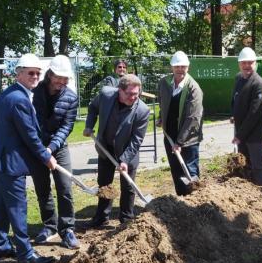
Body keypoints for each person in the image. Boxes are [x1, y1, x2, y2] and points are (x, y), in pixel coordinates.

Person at [0, 53, 57, 263]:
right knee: (17, 206)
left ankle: (2, 246)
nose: (35, 76)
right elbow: (30, 136)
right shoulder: (19, 99)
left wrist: (6, 131)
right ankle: (26, 253)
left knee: (3, 205)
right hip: (10, 162)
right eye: (30, 73)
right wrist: (47, 157)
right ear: (19, 74)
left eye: (37, 73)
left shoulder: (12, 92)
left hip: (0, 158)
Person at [82, 74, 150, 227]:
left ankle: (126, 219)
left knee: (128, 186)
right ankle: (102, 217)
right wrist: (89, 125)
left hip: (128, 151)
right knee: (105, 184)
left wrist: (125, 160)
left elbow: (136, 140)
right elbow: (93, 107)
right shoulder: (106, 95)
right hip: (105, 148)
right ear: (120, 90)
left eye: (136, 94)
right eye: (129, 94)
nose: (133, 97)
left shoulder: (142, 111)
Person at [31, 55, 79, 249]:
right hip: (36, 146)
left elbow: (66, 127)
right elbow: (33, 122)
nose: (62, 81)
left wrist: (51, 149)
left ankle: (67, 229)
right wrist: (41, 149)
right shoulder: (35, 92)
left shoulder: (71, 97)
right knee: (42, 188)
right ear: (50, 74)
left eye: (65, 78)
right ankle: (49, 226)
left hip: (58, 147)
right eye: (58, 77)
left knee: (64, 187)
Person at [157, 51, 204, 195]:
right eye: (177, 66)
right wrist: (161, 117)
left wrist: (180, 142)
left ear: (188, 67)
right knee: (176, 169)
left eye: (183, 66)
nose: (180, 69)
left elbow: (193, 118)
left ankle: (195, 201)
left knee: (189, 170)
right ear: (172, 67)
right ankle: (181, 200)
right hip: (170, 135)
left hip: (188, 139)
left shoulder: (193, 88)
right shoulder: (164, 83)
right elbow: (162, 102)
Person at [230, 47, 262, 186]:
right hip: (241, 131)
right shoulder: (239, 78)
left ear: (255, 64)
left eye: (250, 63)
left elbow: (254, 114)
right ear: (239, 64)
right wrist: (234, 114)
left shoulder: (259, 84)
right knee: (244, 164)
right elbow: (236, 99)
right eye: (243, 63)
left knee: (257, 166)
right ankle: (249, 195)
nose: (247, 66)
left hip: (254, 135)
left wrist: (239, 135)